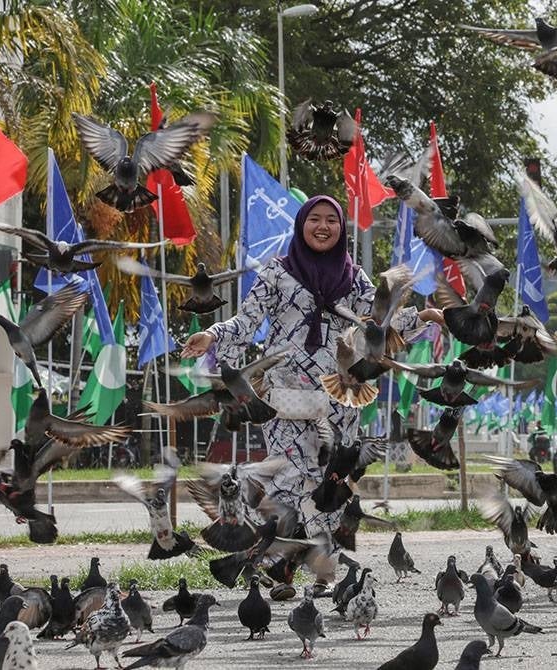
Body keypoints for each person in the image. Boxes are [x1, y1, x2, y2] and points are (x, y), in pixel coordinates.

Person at [182, 195, 441, 552]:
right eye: (315, 219)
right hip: (285, 395)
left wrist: (423, 317)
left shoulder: (354, 279)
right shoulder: (276, 272)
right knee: (288, 477)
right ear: (301, 225)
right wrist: (212, 334)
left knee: (329, 481)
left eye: (331, 220)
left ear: (341, 229)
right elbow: (247, 321)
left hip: (339, 394)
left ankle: (324, 569)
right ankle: (270, 559)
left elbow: (381, 322)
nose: (323, 227)